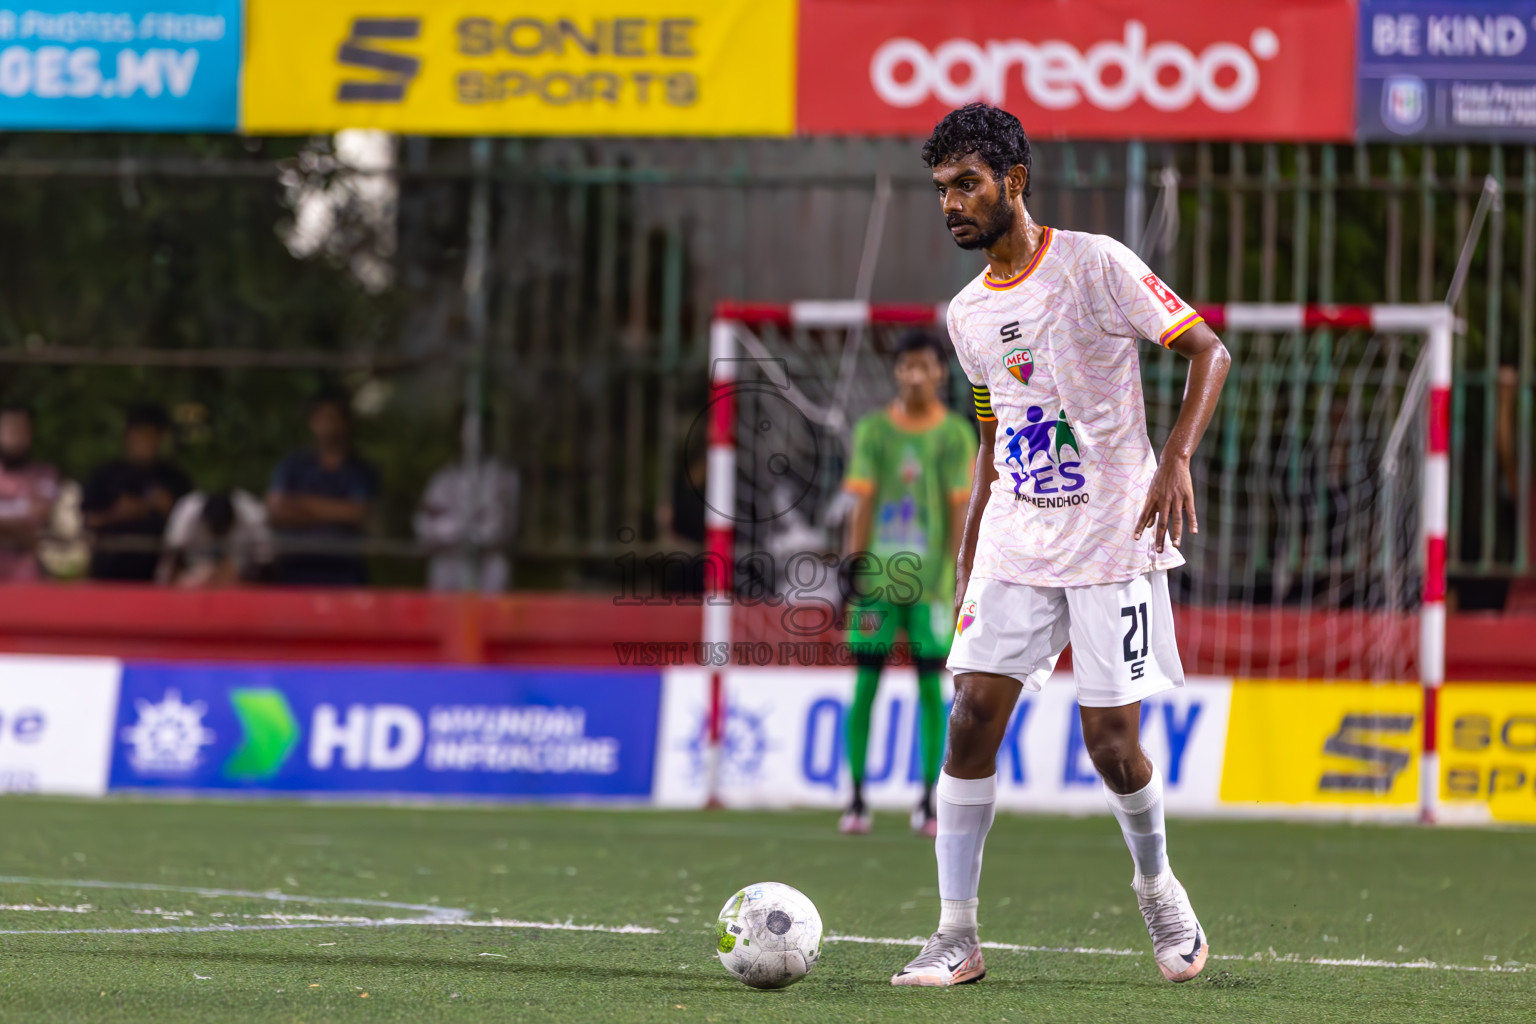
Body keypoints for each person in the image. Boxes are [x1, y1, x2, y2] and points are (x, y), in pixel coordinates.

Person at [890, 104, 1230, 989]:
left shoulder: (1097, 264)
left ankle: (1157, 885)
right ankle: (955, 934)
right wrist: (971, 555)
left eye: (967, 184)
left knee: (1113, 744)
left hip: (1114, 535)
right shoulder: (965, 316)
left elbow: (1209, 352)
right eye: (941, 190)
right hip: (1015, 541)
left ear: (1016, 181)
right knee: (968, 721)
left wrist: (1176, 461)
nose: (952, 204)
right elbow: (995, 438)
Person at [838, 330, 974, 838]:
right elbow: (863, 499)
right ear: (896, 372)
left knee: (930, 686)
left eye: (924, 365)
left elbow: (961, 505)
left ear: (941, 373)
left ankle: (927, 800)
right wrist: (851, 563)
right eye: (905, 366)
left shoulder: (956, 434)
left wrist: (961, 573)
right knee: (866, 682)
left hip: (932, 585)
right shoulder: (873, 430)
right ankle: (855, 797)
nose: (914, 375)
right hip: (877, 580)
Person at [266, 392, 380, 586]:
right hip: (294, 567)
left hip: (344, 569)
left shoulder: (360, 470)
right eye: (322, 418)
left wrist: (302, 503)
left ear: (346, 423)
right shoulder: (293, 465)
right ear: (311, 423)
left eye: (334, 417)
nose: (328, 425)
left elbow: (358, 514)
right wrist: (336, 510)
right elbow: (275, 511)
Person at [81, 404, 191, 581]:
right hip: (108, 574)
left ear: (160, 439)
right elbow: (86, 522)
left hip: (158, 577)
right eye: (139, 434)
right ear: (128, 435)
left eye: (150, 435)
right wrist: (116, 514)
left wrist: (170, 510)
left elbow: (192, 530)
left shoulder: (175, 480)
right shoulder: (104, 476)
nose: (144, 442)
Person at [413, 414, 519, 592]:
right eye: (466, 430)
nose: (472, 437)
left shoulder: (504, 477)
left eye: (478, 430)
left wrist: (450, 523)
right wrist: (470, 521)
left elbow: (496, 529)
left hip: (489, 575)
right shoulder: (442, 479)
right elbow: (424, 526)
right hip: (446, 575)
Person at [158, 489, 273, 588]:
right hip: (196, 569)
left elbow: (265, 561)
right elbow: (171, 556)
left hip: (240, 572)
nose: (218, 536)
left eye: (222, 529)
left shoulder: (253, 516)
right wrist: (166, 587)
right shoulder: (187, 513)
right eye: (215, 529)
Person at [0, 403, 60, 582]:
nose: (15, 435)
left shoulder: (45, 474)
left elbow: (39, 515)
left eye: (21, 429)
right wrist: (19, 522)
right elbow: (26, 518)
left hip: (25, 573)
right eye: (10, 428)